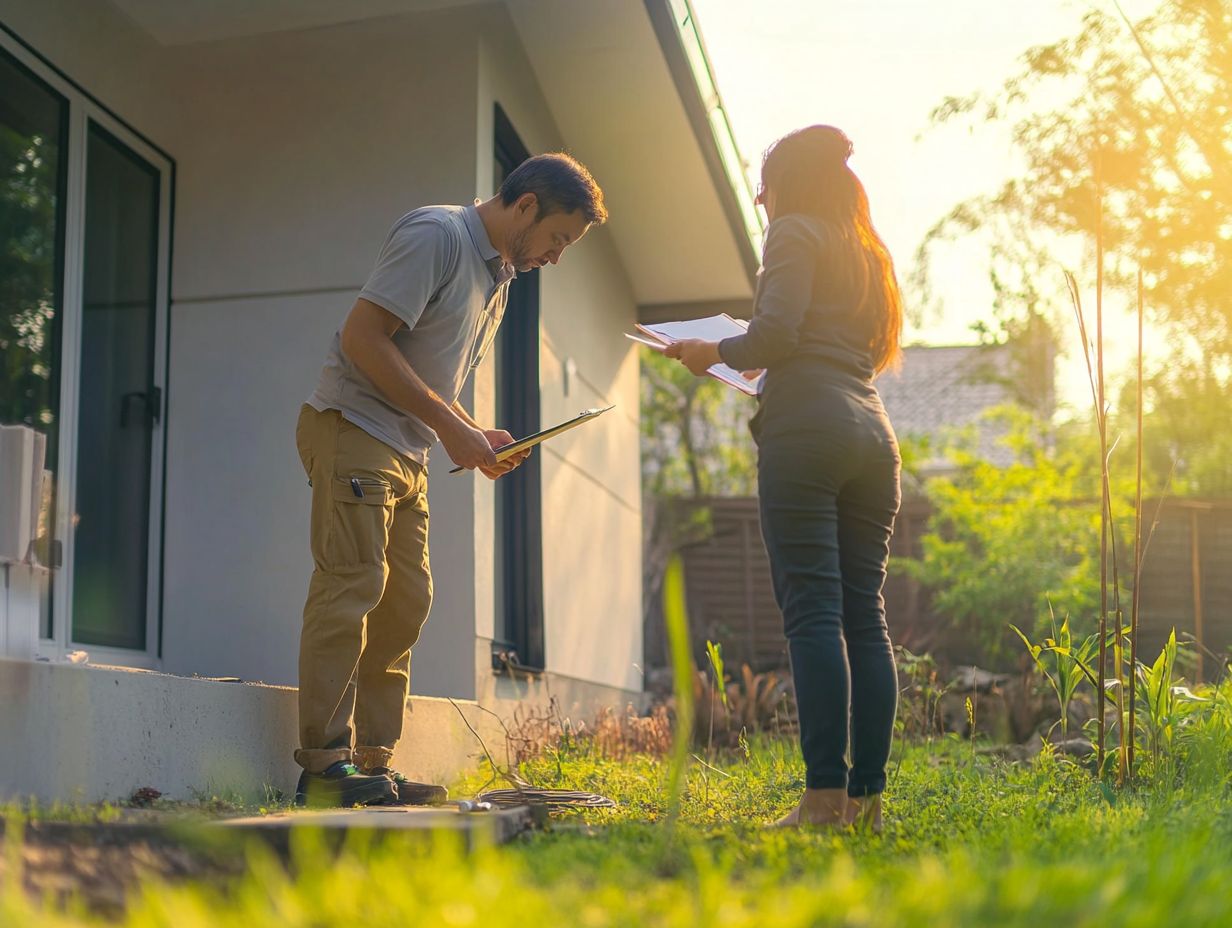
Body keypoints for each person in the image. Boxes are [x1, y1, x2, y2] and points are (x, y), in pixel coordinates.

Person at [293, 154, 607, 807]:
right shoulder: (436, 235)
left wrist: (473, 432)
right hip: (353, 426)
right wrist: (450, 427)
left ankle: (372, 764)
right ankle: (325, 769)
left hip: (407, 448)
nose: (557, 255)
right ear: (526, 207)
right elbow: (363, 338)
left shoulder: (499, 275)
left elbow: (428, 379)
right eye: (559, 238)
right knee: (353, 586)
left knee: (405, 601)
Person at [666, 125, 902, 830]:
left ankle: (823, 797)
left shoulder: (794, 232)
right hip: (872, 433)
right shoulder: (868, 248)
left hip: (807, 429)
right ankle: (868, 803)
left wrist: (708, 350)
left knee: (814, 614)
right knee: (866, 615)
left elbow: (774, 338)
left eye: (765, 183)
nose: (762, 198)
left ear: (789, 185)